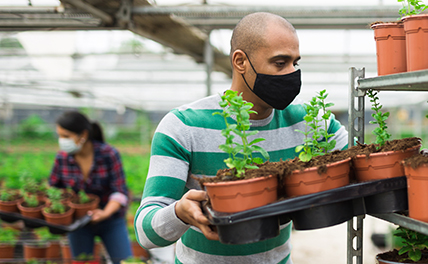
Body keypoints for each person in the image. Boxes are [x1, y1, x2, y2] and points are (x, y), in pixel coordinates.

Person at [134, 12, 348, 263]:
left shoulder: (311, 122)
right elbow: (145, 232)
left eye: (295, 63)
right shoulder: (184, 126)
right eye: (280, 63)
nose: (291, 73)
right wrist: (179, 213)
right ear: (240, 61)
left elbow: (362, 164)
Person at [49, 111, 132, 264]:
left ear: (83, 135)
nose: (62, 141)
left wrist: (105, 213)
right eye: (60, 136)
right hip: (78, 223)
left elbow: (119, 192)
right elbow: (53, 190)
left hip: (111, 220)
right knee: (83, 261)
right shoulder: (62, 158)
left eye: (66, 136)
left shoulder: (108, 154)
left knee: (124, 260)